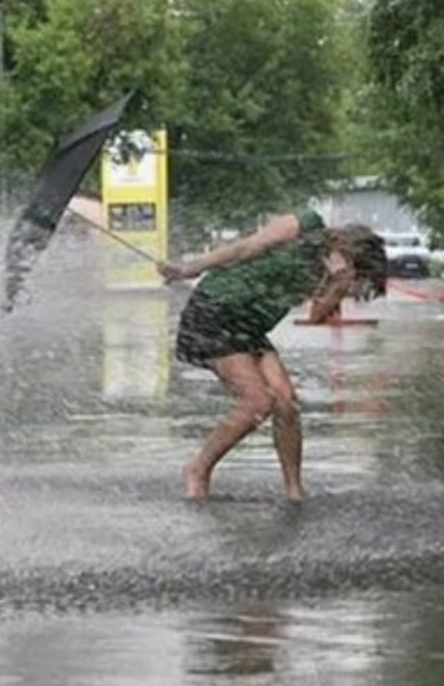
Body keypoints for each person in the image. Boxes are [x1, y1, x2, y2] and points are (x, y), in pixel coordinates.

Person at [157, 208, 387, 501]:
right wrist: (190, 268)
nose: (356, 284)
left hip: (250, 327)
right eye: (358, 275)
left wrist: (339, 284)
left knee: (286, 402)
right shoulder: (306, 225)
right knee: (258, 402)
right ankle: (197, 469)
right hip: (215, 310)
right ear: (347, 247)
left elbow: (316, 315)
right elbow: (246, 247)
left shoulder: (334, 275)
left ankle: (294, 490)